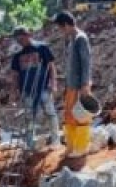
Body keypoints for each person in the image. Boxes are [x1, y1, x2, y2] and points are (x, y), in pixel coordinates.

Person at [10, 26, 60, 149]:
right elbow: (15, 75)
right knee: (29, 116)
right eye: (18, 40)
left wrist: (53, 83)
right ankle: (30, 143)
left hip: (43, 87)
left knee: (50, 113)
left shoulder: (41, 48)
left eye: (21, 39)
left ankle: (55, 140)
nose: (20, 42)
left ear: (28, 35)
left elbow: (51, 66)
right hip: (26, 90)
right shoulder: (17, 55)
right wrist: (13, 92)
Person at [53, 11, 92, 157]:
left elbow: (86, 63)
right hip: (71, 85)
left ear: (67, 25)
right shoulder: (72, 40)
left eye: (60, 28)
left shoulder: (81, 39)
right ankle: (70, 147)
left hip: (79, 86)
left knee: (80, 117)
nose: (60, 31)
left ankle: (81, 148)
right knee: (69, 116)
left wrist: (85, 85)